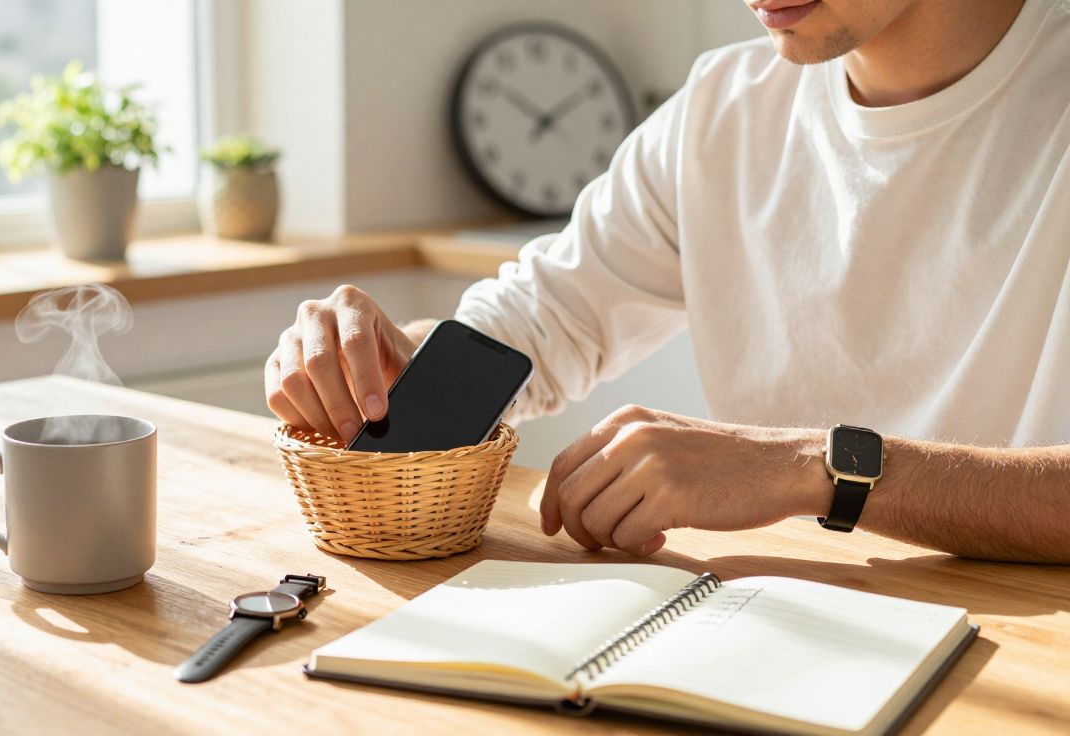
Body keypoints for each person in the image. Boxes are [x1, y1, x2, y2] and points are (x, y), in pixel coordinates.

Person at [265, 0, 1070, 564]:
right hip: (782, 625)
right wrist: (382, 365)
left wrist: (808, 468)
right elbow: (540, 322)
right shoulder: (723, 109)